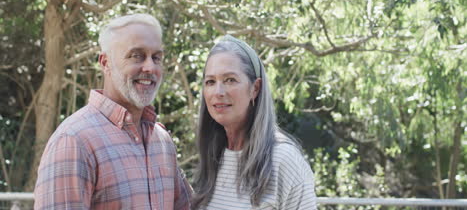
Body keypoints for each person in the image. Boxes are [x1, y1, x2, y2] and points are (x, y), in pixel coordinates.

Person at [34, 14, 191, 209]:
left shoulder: (161, 141)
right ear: (105, 63)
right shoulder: (74, 141)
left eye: (156, 57)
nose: (150, 67)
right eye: (136, 55)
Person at [192, 35, 317, 209]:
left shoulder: (285, 161)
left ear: (255, 88)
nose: (218, 91)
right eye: (210, 81)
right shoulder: (212, 157)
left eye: (230, 80)